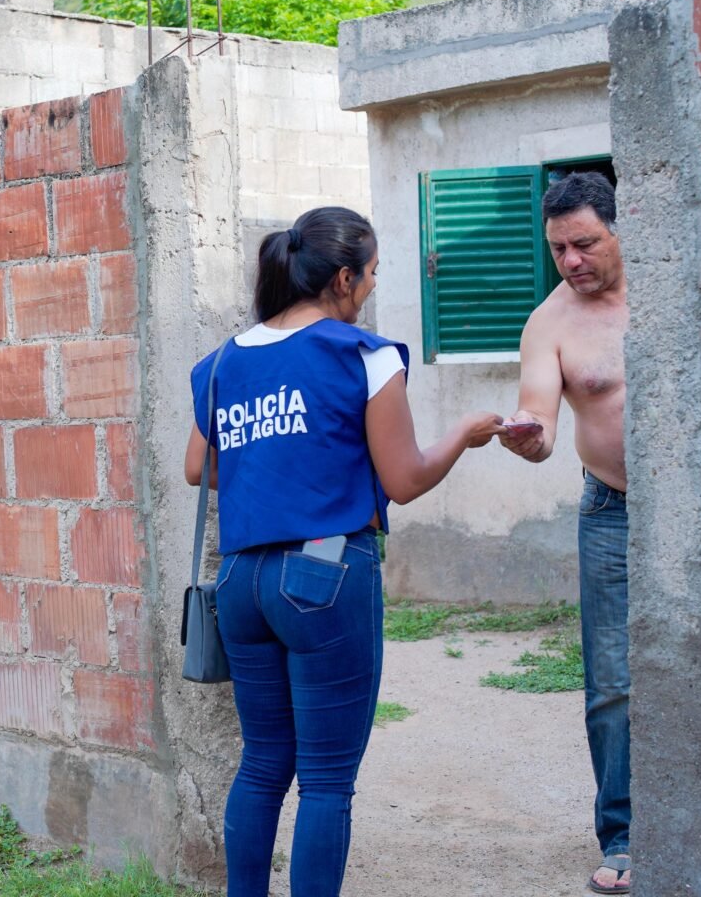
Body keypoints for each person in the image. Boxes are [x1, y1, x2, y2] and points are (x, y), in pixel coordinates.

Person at [185, 206, 504, 897]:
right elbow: (406, 479)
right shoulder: (363, 355)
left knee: (264, 764)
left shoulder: (222, 363)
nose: (369, 290)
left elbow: (196, 468)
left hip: (241, 579)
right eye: (371, 276)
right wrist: (465, 435)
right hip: (323, 568)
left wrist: (273, 445)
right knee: (326, 780)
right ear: (342, 278)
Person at [498, 172, 632, 895]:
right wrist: (530, 438)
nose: (572, 261)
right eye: (559, 250)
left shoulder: (674, 280)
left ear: (621, 227)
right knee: (613, 682)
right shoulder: (549, 321)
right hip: (611, 511)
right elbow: (541, 421)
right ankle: (624, 835)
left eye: (585, 243)